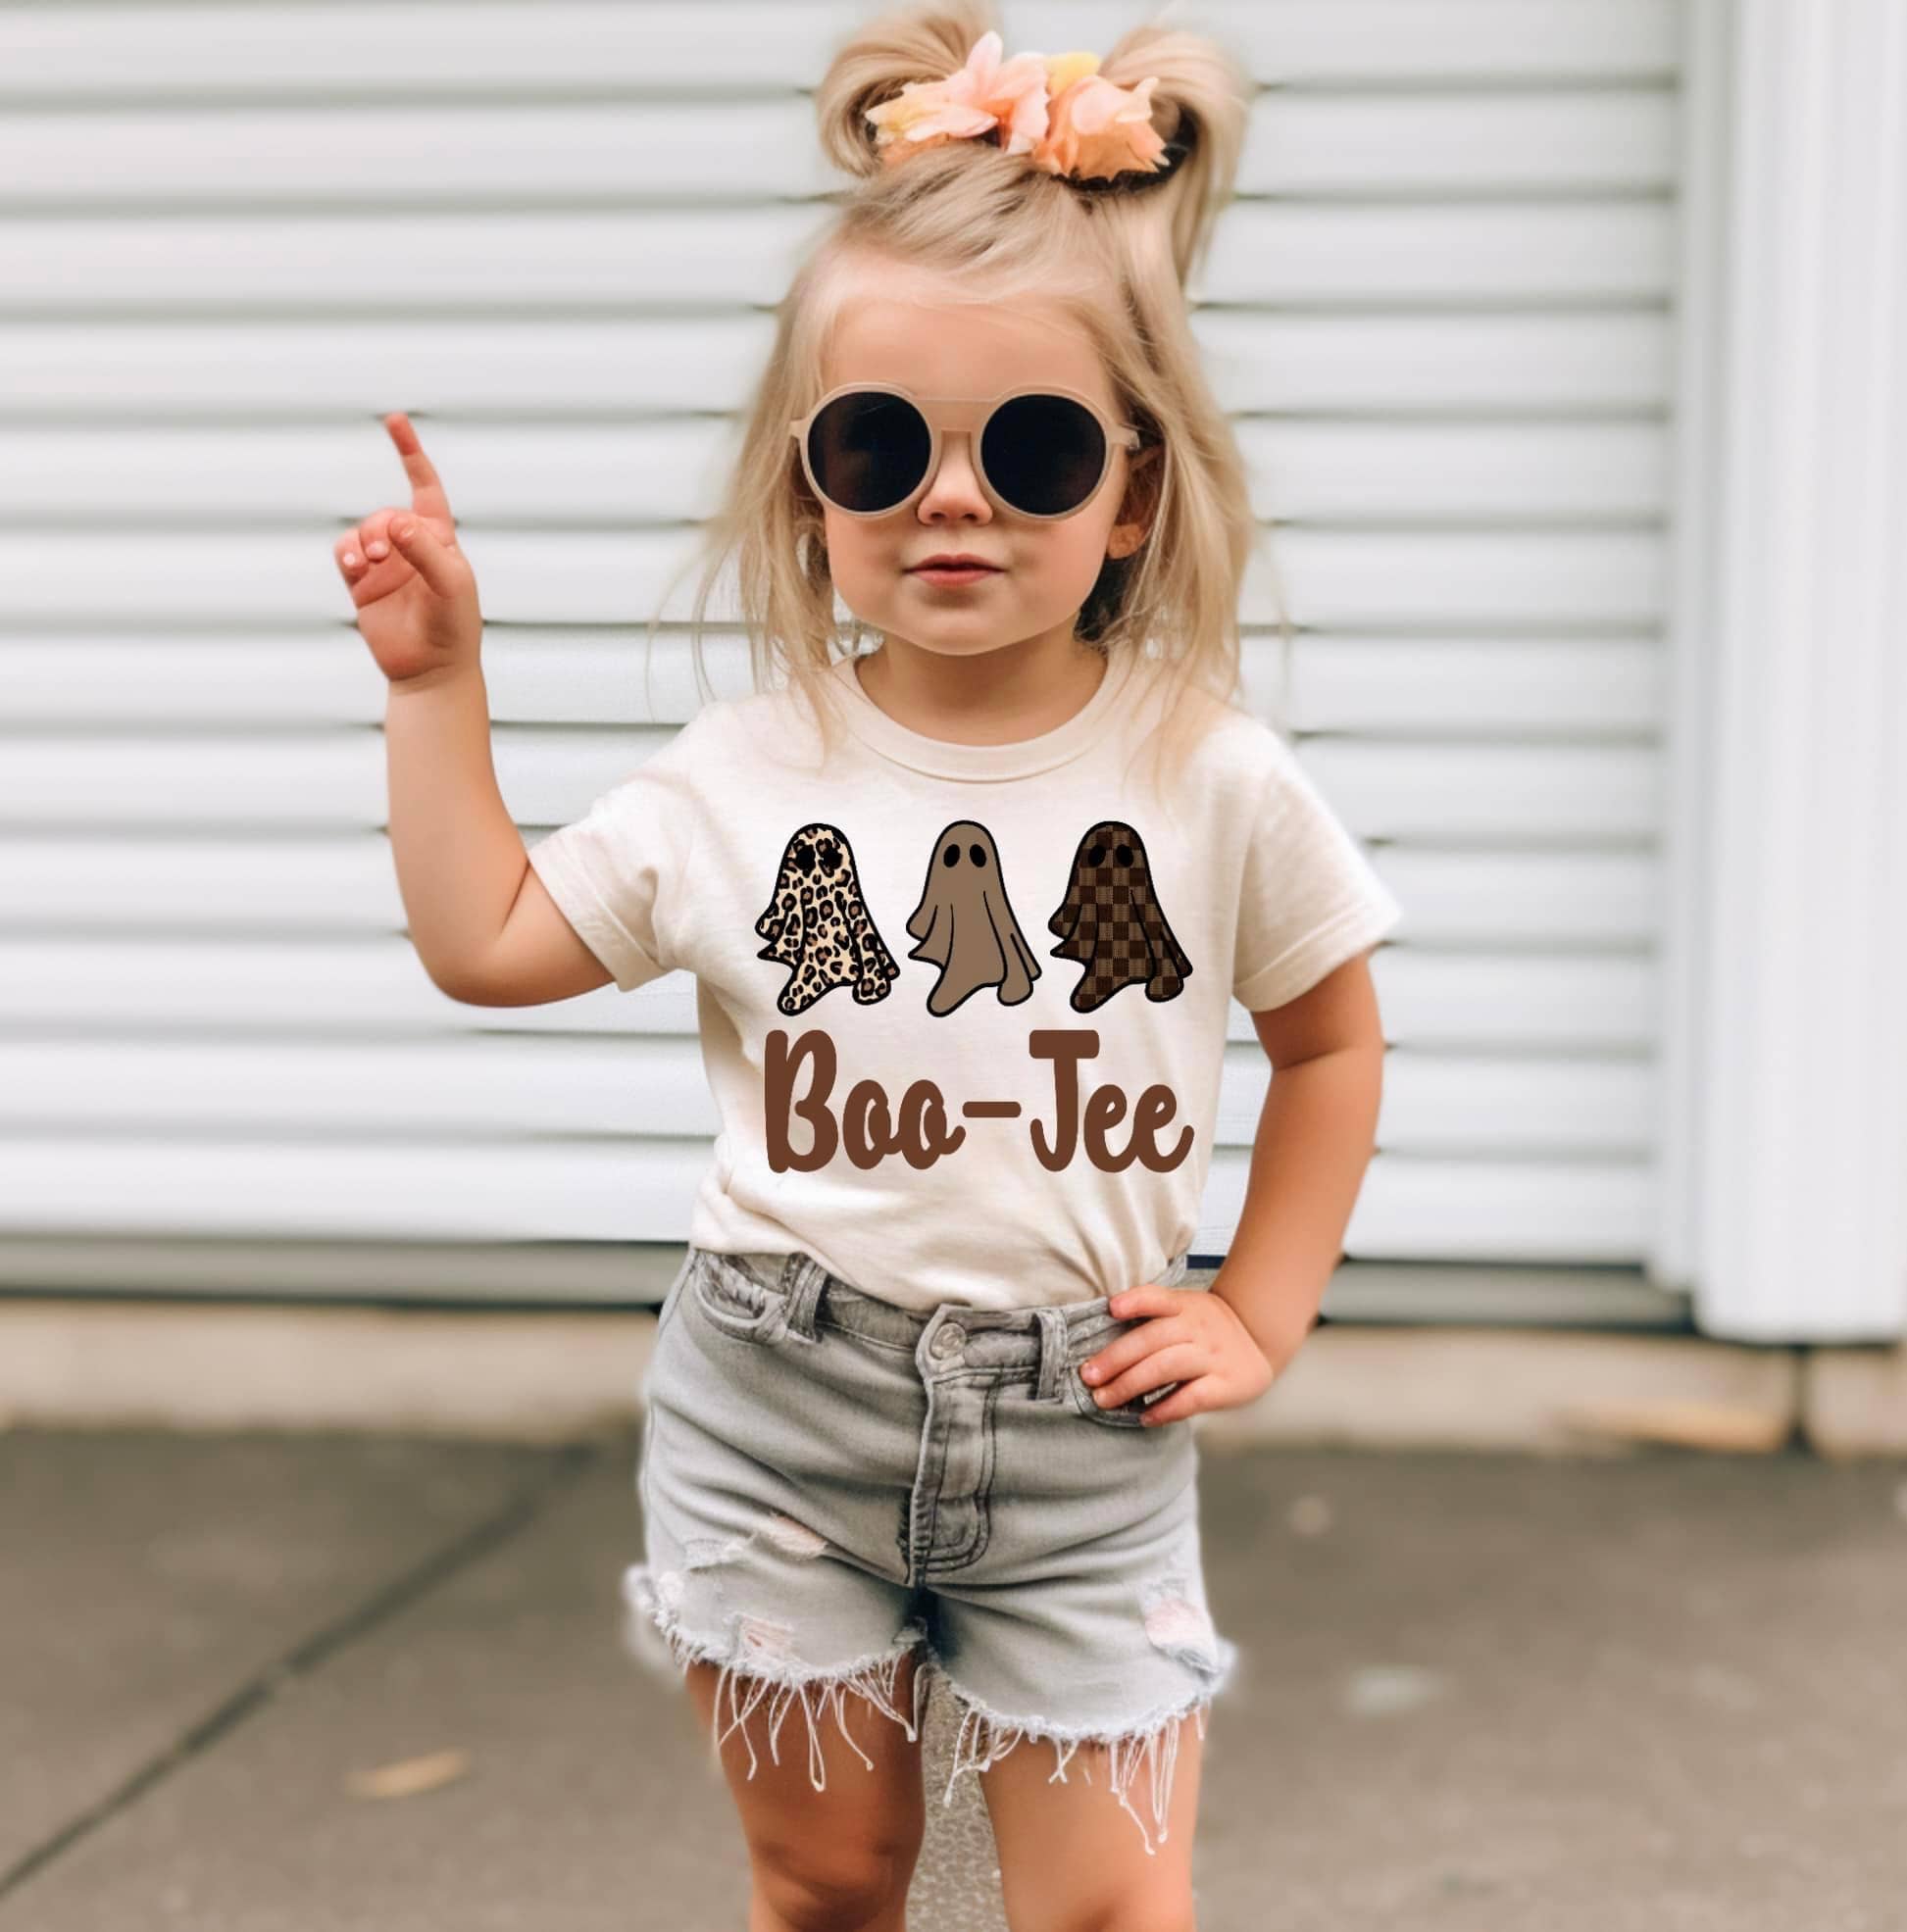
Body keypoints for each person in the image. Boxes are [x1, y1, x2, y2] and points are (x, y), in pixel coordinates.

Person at [336, 4, 1403, 1924]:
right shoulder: (741, 778)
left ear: (1134, 490)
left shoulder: (1212, 776)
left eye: (1036, 446)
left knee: (1110, 1907)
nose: (954, 493)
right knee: (828, 1880)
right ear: (806, 487)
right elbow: (487, 942)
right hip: (777, 1408)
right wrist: (436, 689)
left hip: (1087, 1436)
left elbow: (1328, 1043)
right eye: (880, 441)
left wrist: (1261, 1307)